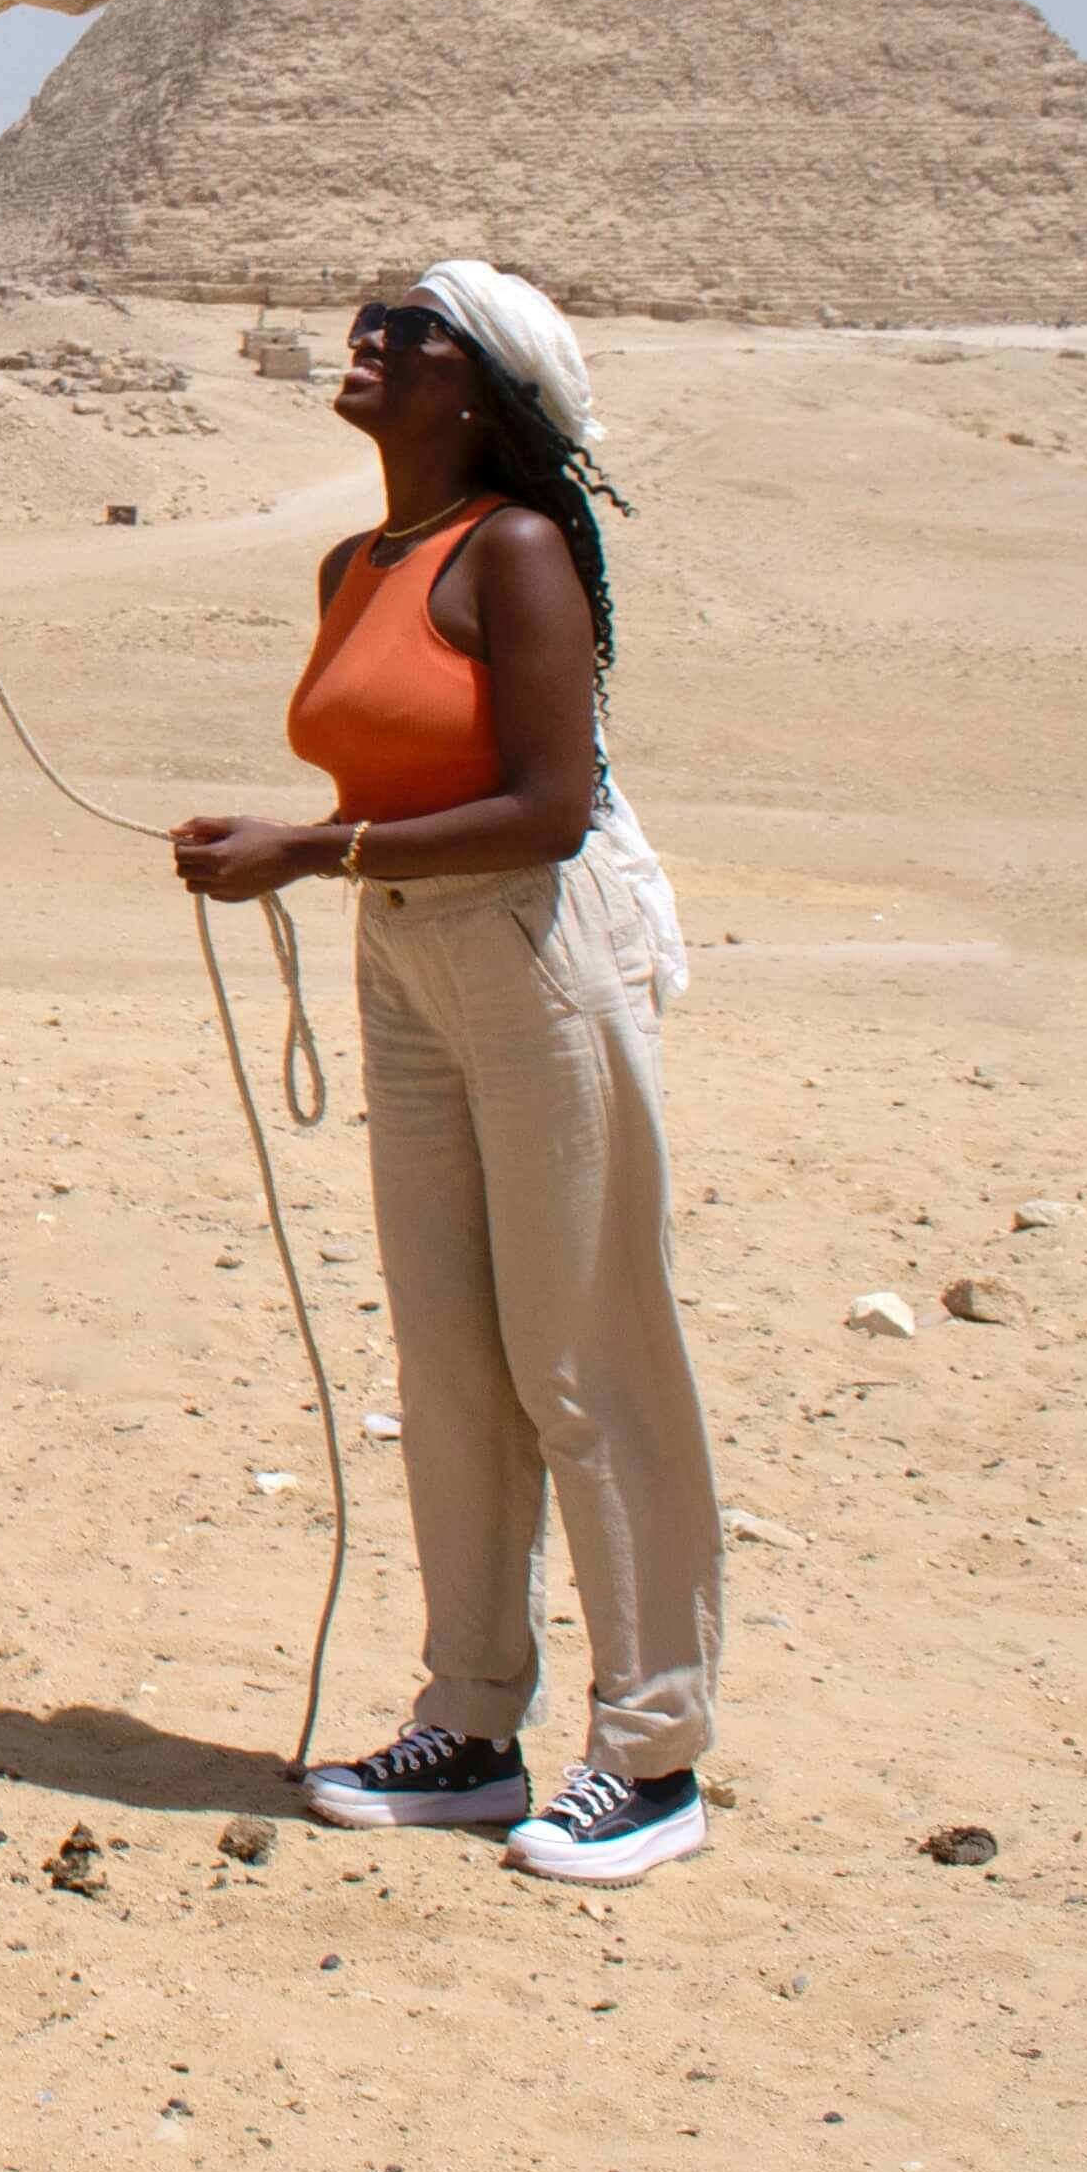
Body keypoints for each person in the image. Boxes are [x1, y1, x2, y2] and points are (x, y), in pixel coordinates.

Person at [176, 261, 720, 1887]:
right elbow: (393, 768)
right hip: (406, 955)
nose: (372, 337)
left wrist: (310, 847)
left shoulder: (523, 554)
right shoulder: (359, 563)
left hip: (535, 952)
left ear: (480, 385)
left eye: (412, 329)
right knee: (450, 1352)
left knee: (586, 1353)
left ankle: (653, 1752)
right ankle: (471, 1719)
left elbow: (551, 806)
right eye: (372, 313)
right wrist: (299, 853)